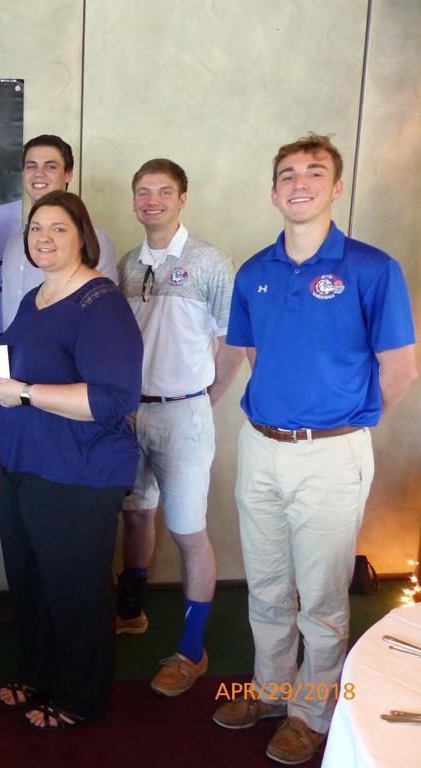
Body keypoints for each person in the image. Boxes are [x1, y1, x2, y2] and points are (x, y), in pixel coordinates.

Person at [213, 133, 417, 765]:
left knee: (323, 598)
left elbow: (401, 368)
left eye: (314, 172)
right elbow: (254, 353)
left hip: (332, 454)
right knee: (267, 586)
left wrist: (345, 424)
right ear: (274, 191)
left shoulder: (372, 268)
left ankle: (312, 712)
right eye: (287, 174)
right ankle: (273, 690)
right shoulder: (254, 272)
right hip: (261, 447)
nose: (299, 183)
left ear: (336, 187)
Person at [0, 190, 142, 730]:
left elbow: (113, 399)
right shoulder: (35, 298)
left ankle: (80, 698)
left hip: (78, 472)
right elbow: (11, 362)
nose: (44, 237)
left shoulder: (102, 304)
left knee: (75, 592)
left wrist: (23, 392)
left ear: (82, 237)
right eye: (36, 228)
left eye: (58, 228)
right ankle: (39, 675)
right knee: (31, 583)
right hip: (23, 463)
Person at [115, 159, 244, 696]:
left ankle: (192, 649)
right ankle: (131, 611)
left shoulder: (211, 261)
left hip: (184, 413)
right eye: (143, 192)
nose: (152, 201)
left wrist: (204, 400)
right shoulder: (127, 263)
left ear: (182, 199)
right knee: (136, 514)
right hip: (131, 412)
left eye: (164, 192)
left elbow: (234, 341)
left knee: (188, 532)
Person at [1, 134, 118, 331]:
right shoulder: (14, 243)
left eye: (50, 166)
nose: (39, 173)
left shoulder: (91, 239)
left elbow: (105, 313)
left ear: (68, 174)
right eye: (31, 166)